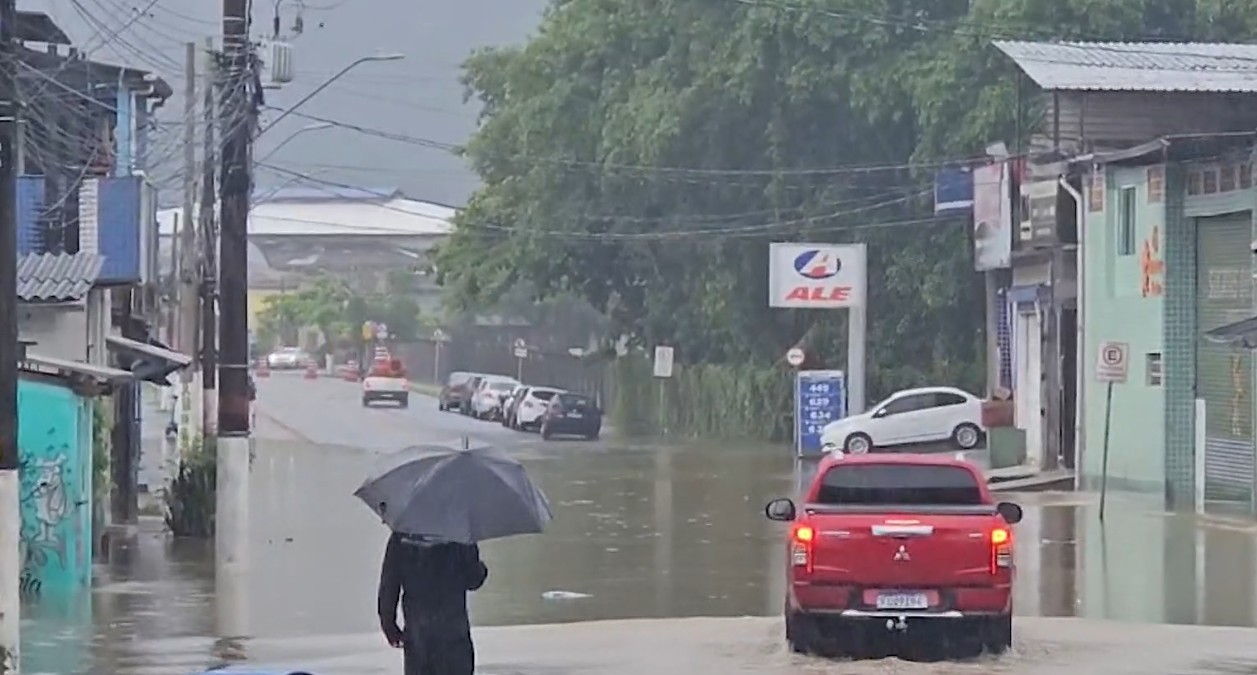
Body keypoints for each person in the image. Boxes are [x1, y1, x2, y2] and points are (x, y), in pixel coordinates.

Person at [377, 528, 489, 675]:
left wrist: (389, 624)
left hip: (418, 634)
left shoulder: (402, 534)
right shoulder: (460, 533)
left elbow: (389, 583)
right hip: (453, 633)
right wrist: (481, 569)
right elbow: (473, 580)